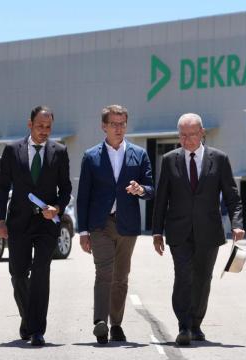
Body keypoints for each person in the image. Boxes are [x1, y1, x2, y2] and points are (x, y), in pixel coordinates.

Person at [152, 113, 245, 346]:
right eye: (182, 136)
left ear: (202, 132)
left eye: (192, 135)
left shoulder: (220, 159)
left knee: (203, 278)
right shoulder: (170, 159)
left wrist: (237, 223)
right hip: (178, 231)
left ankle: (196, 324)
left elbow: (233, 196)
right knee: (183, 276)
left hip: (209, 231)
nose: (187, 140)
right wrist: (156, 232)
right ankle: (183, 325)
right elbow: (161, 198)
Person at [0, 106, 72, 346]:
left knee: (40, 273)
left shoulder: (60, 151)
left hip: (47, 224)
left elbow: (66, 189)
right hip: (18, 222)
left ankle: (37, 329)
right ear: (30, 125)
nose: (44, 131)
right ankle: (28, 318)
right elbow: (2, 186)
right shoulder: (11, 150)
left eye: (48, 127)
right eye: (40, 126)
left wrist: (57, 208)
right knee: (17, 273)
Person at [77, 105, 154, 344]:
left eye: (122, 124)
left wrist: (141, 190)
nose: (118, 128)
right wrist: (83, 231)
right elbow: (84, 196)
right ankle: (100, 322)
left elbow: (151, 189)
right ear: (104, 126)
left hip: (127, 224)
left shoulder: (139, 154)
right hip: (100, 224)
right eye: (114, 124)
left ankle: (116, 324)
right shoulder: (91, 156)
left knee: (121, 276)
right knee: (104, 273)